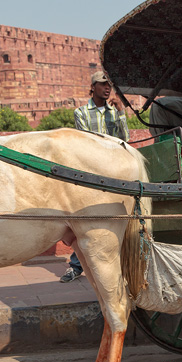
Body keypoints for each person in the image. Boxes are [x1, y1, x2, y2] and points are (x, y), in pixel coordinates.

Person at [60, 70, 129, 283]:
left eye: (109, 85)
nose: (107, 88)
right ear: (93, 87)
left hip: (113, 173)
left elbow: (124, 140)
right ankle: (76, 265)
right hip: (91, 173)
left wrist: (121, 114)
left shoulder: (114, 112)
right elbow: (86, 142)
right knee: (85, 222)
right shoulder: (81, 112)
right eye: (102, 84)